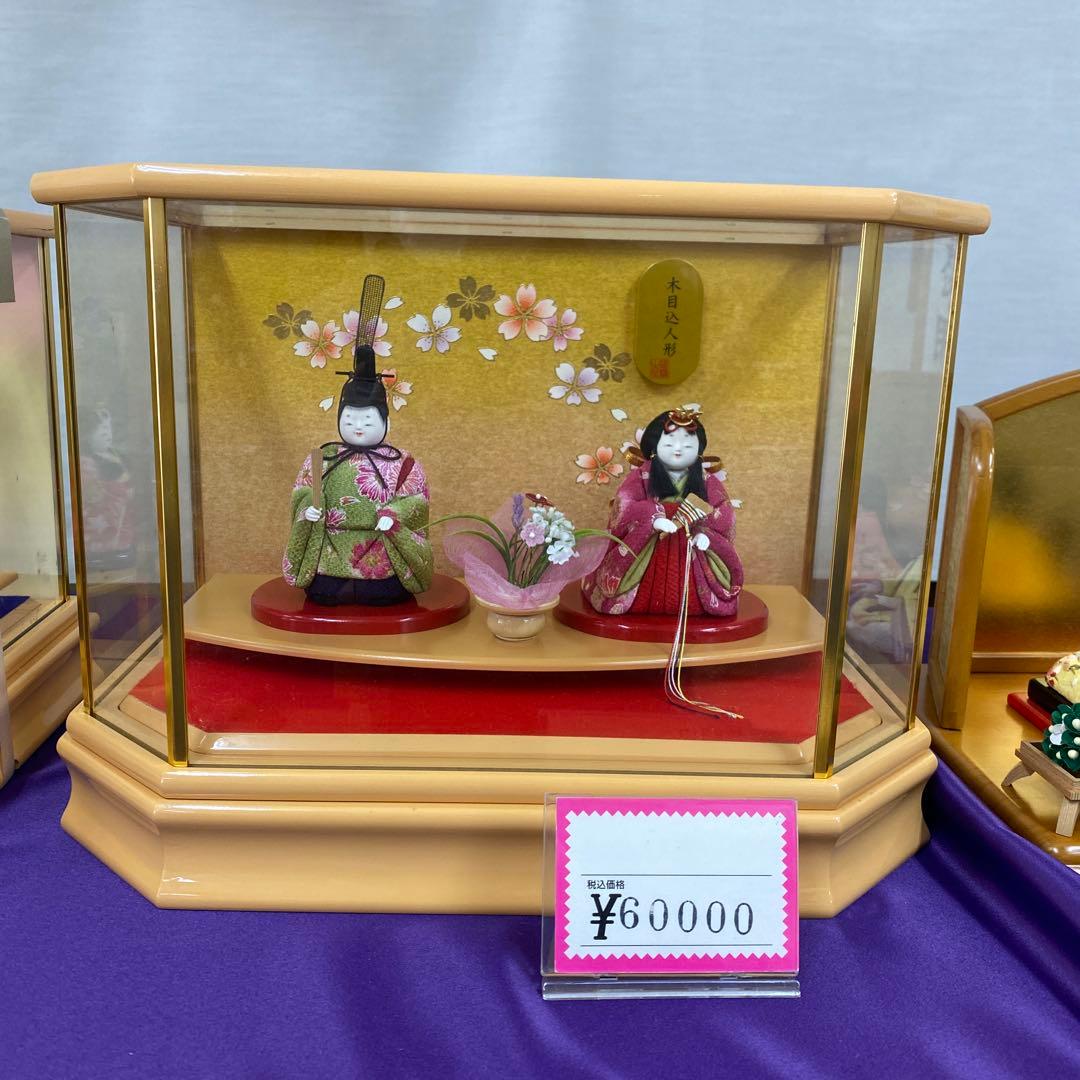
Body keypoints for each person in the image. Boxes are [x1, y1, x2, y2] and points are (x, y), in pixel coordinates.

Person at [282, 276, 433, 606]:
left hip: (380, 545)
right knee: (324, 593)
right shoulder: (322, 457)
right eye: (350, 420)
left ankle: (377, 586)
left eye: (368, 420)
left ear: (386, 421)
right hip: (329, 545)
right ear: (339, 419)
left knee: (381, 596)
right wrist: (308, 508)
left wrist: (394, 514)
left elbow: (417, 502)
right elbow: (303, 492)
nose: (359, 427)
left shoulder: (402, 463)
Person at [584, 407, 742, 617]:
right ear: (655, 445)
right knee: (637, 585)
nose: (679, 449)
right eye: (669, 442)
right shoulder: (641, 476)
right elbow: (625, 504)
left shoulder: (706, 480)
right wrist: (653, 518)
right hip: (650, 542)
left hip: (692, 543)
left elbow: (723, 510)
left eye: (688, 444)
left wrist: (707, 535)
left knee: (696, 590)